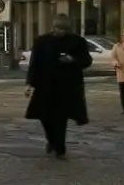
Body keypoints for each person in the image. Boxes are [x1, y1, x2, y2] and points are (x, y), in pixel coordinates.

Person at [25, 14, 92, 158]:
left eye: (63, 29)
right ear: (53, 27)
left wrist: (72, 60)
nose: (59, 32)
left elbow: (86, 60)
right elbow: (34, 64)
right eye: (57, 28)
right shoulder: (42, 41)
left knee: (60, 118)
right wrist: (29, 84)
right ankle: (51, 139)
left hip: (67, 87)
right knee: (44, 116)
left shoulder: (77, 42)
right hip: (44, 85)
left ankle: (60, 149)